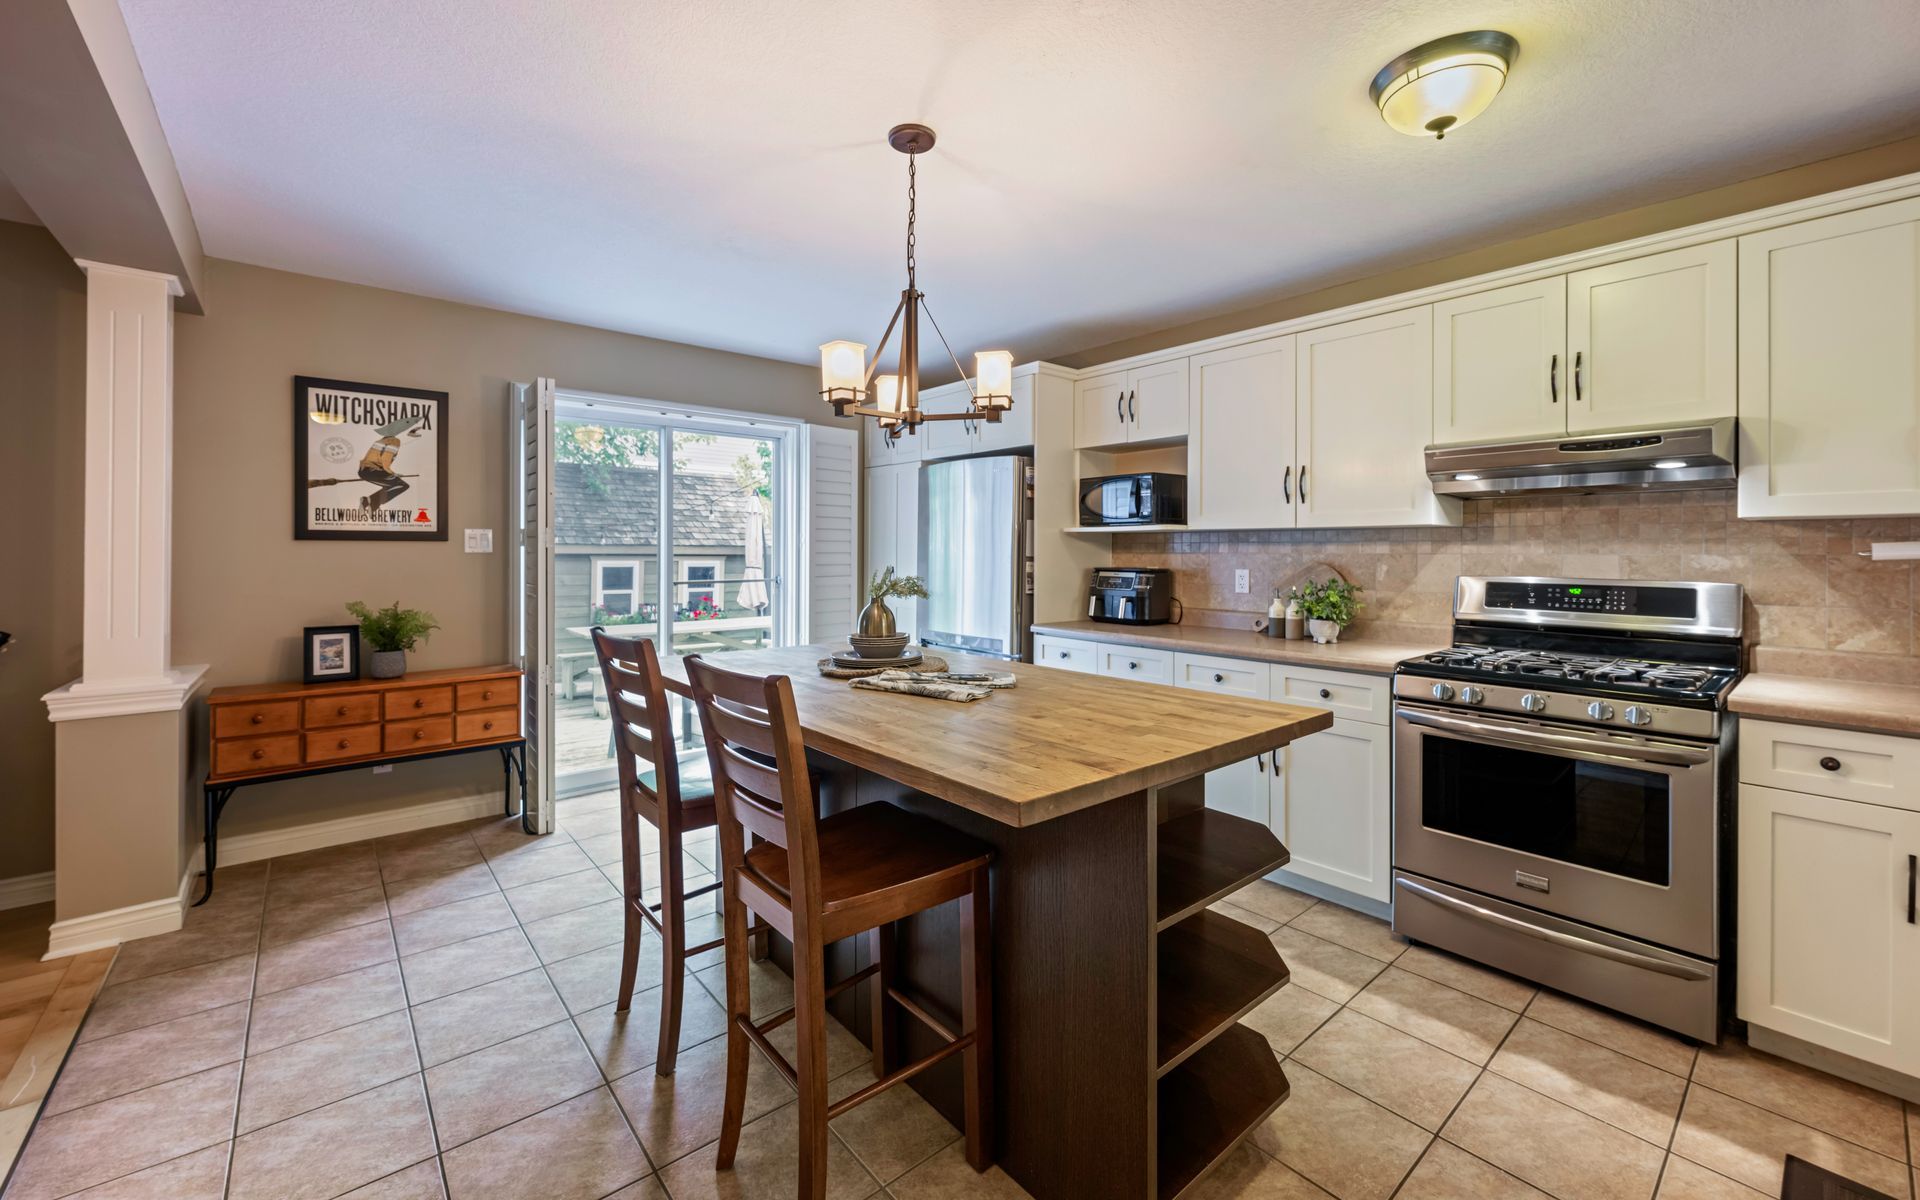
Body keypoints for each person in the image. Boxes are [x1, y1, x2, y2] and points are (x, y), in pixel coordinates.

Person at [358, 414, 428, 512]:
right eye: (413, 431)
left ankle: (368, 502)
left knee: (392, 485)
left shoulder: (382, 440)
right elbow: (385, 460)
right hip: (372, 471)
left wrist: (392, 474)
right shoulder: (395, 441)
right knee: (402, 485)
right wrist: (392, 473)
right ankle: (371, 502)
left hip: (365, 471)